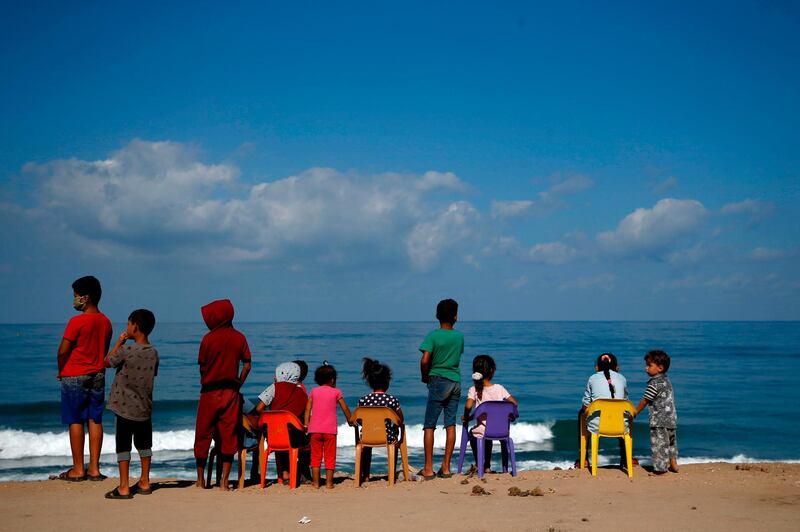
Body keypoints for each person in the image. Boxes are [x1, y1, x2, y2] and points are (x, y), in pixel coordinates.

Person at [54, 276, 112, 482]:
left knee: (75, 419)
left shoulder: (76, 322)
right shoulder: (106, 322)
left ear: (85, 298)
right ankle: (94, 468)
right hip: (97, 374)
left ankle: (78, 469)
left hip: (75, 375)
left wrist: (61, 369)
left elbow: (62, 351)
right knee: (95, 419)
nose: (74, 300)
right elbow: (103, 350)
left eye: (76, 296)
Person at [193, 299, 252, 490]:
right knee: (229, 435)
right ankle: (224, 482)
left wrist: (207, 377)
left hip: (209, 392)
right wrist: (238, 383)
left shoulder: (207, 339)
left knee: (203, 434)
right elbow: (247, 364)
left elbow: (202, 366)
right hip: (230, 392)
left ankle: (200, 480)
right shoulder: (239, 337)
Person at [103, 309, 159, 499]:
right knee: (144, 446)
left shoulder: (126, 350)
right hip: (144, 408)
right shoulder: (154, 353)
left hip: (124, 407)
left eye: (128, 324)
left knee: (124, 446)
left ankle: (124, 486)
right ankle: (144, 481)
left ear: (135, 326)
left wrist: (119, 341)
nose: (127, 327)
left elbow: (107, 361)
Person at [418, 298, 464, 480]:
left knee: (429, 425)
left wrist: (424, 376)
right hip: (455, 382)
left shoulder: (432, 336)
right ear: (455, 316)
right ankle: (445, 467)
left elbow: (425, 359)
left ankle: (428, 468)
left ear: (437, 316)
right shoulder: (459, 337)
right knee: (450, 424)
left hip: (438, 380)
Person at [252, 361, 310, 484]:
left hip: (273, 435)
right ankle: (300, 472)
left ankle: (284, 473)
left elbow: (259, 408)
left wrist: (269, 417)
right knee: (307, 445)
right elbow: (305, 415)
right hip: (294, 437)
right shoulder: (302, 394)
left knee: (282, 440)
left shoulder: (274, 387)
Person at [576, 353, 633, 469]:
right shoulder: (622, 378)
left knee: (581, 414)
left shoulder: (592, 378)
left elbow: (585, 405)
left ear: (596, 367)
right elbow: (626, 402)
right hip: (620, 426)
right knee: (623, 415)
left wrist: (587, 410)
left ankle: (584, 459)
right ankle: (626, 459)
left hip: (598, 426)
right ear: (617, 368)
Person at [461, 355, 517, 474]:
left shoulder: (474, 389)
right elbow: (513, 403)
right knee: (488, 438)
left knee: (473, 434)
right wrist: (510, 415)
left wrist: (467, 417)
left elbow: (468, 406)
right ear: (492, 371)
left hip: (483, 430)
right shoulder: (499, 388)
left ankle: (479, 464)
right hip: (502, 430)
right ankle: (487, 466)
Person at [304, 363, 353, 489]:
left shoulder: (314, 391)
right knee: (330, 456)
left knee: (315, 457)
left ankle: (315, 483)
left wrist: (306, 424)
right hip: (330, 431)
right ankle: (329, 483)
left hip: (314, 430)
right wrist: (350, 420)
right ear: (332, 380)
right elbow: (345, 408)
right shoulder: (336, 392)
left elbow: (308, 409)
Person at [357, 357, 404, 483]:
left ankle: (365, 475)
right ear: (387, 381)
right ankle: (391, 473)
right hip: (387, 437)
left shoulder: (364, 400)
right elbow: (400, 419)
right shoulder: (392, 400)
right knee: (394, 433)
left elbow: (359, 419)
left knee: (366, 448)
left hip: (367, 436)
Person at [634, 350, 679, 475]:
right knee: (671, 442)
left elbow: (645, 400)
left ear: (660, 368)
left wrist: (635, 411)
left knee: (659, 445)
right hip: (671, 418)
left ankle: (660, 469)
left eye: (649, 365)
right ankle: (673, 464)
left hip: (659, 420)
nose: (646, 368)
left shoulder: (654, 383)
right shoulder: (667, 381)